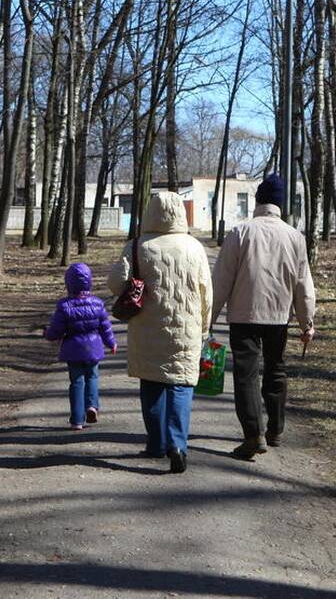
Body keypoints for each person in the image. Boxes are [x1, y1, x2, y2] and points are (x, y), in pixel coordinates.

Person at [211, 174, 316, 460]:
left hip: (244, 315)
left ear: (257, 200)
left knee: (246, 376)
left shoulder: (240, 233)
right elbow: (303, 284)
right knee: (276, 369)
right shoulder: (295, 237)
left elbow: (221, 282)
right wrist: (306, 322)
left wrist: (207, 319)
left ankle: (253, 434)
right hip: (279, 316)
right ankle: (276, 429)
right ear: (281, 205)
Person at [108, 191, 211, 474]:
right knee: (180, 385)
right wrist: (204, 326)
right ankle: (178, 444)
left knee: (152, 384)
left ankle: (156, 443)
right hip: (186, 329)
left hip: (146, 327)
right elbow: (206, 293)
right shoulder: (194, 247)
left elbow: (116, 283)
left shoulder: (138, 246)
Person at [44, 263, 117, 430]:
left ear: (68, 283)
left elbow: (56, 330)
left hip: (73, 349)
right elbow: (105, 327)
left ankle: (77, 419)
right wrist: (111, 342)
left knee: (76, 382)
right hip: (93, 348)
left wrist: (47, 335)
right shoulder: (97, 304)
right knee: (92, 377)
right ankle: (92, 405)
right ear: (89, 282)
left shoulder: (64, 306)